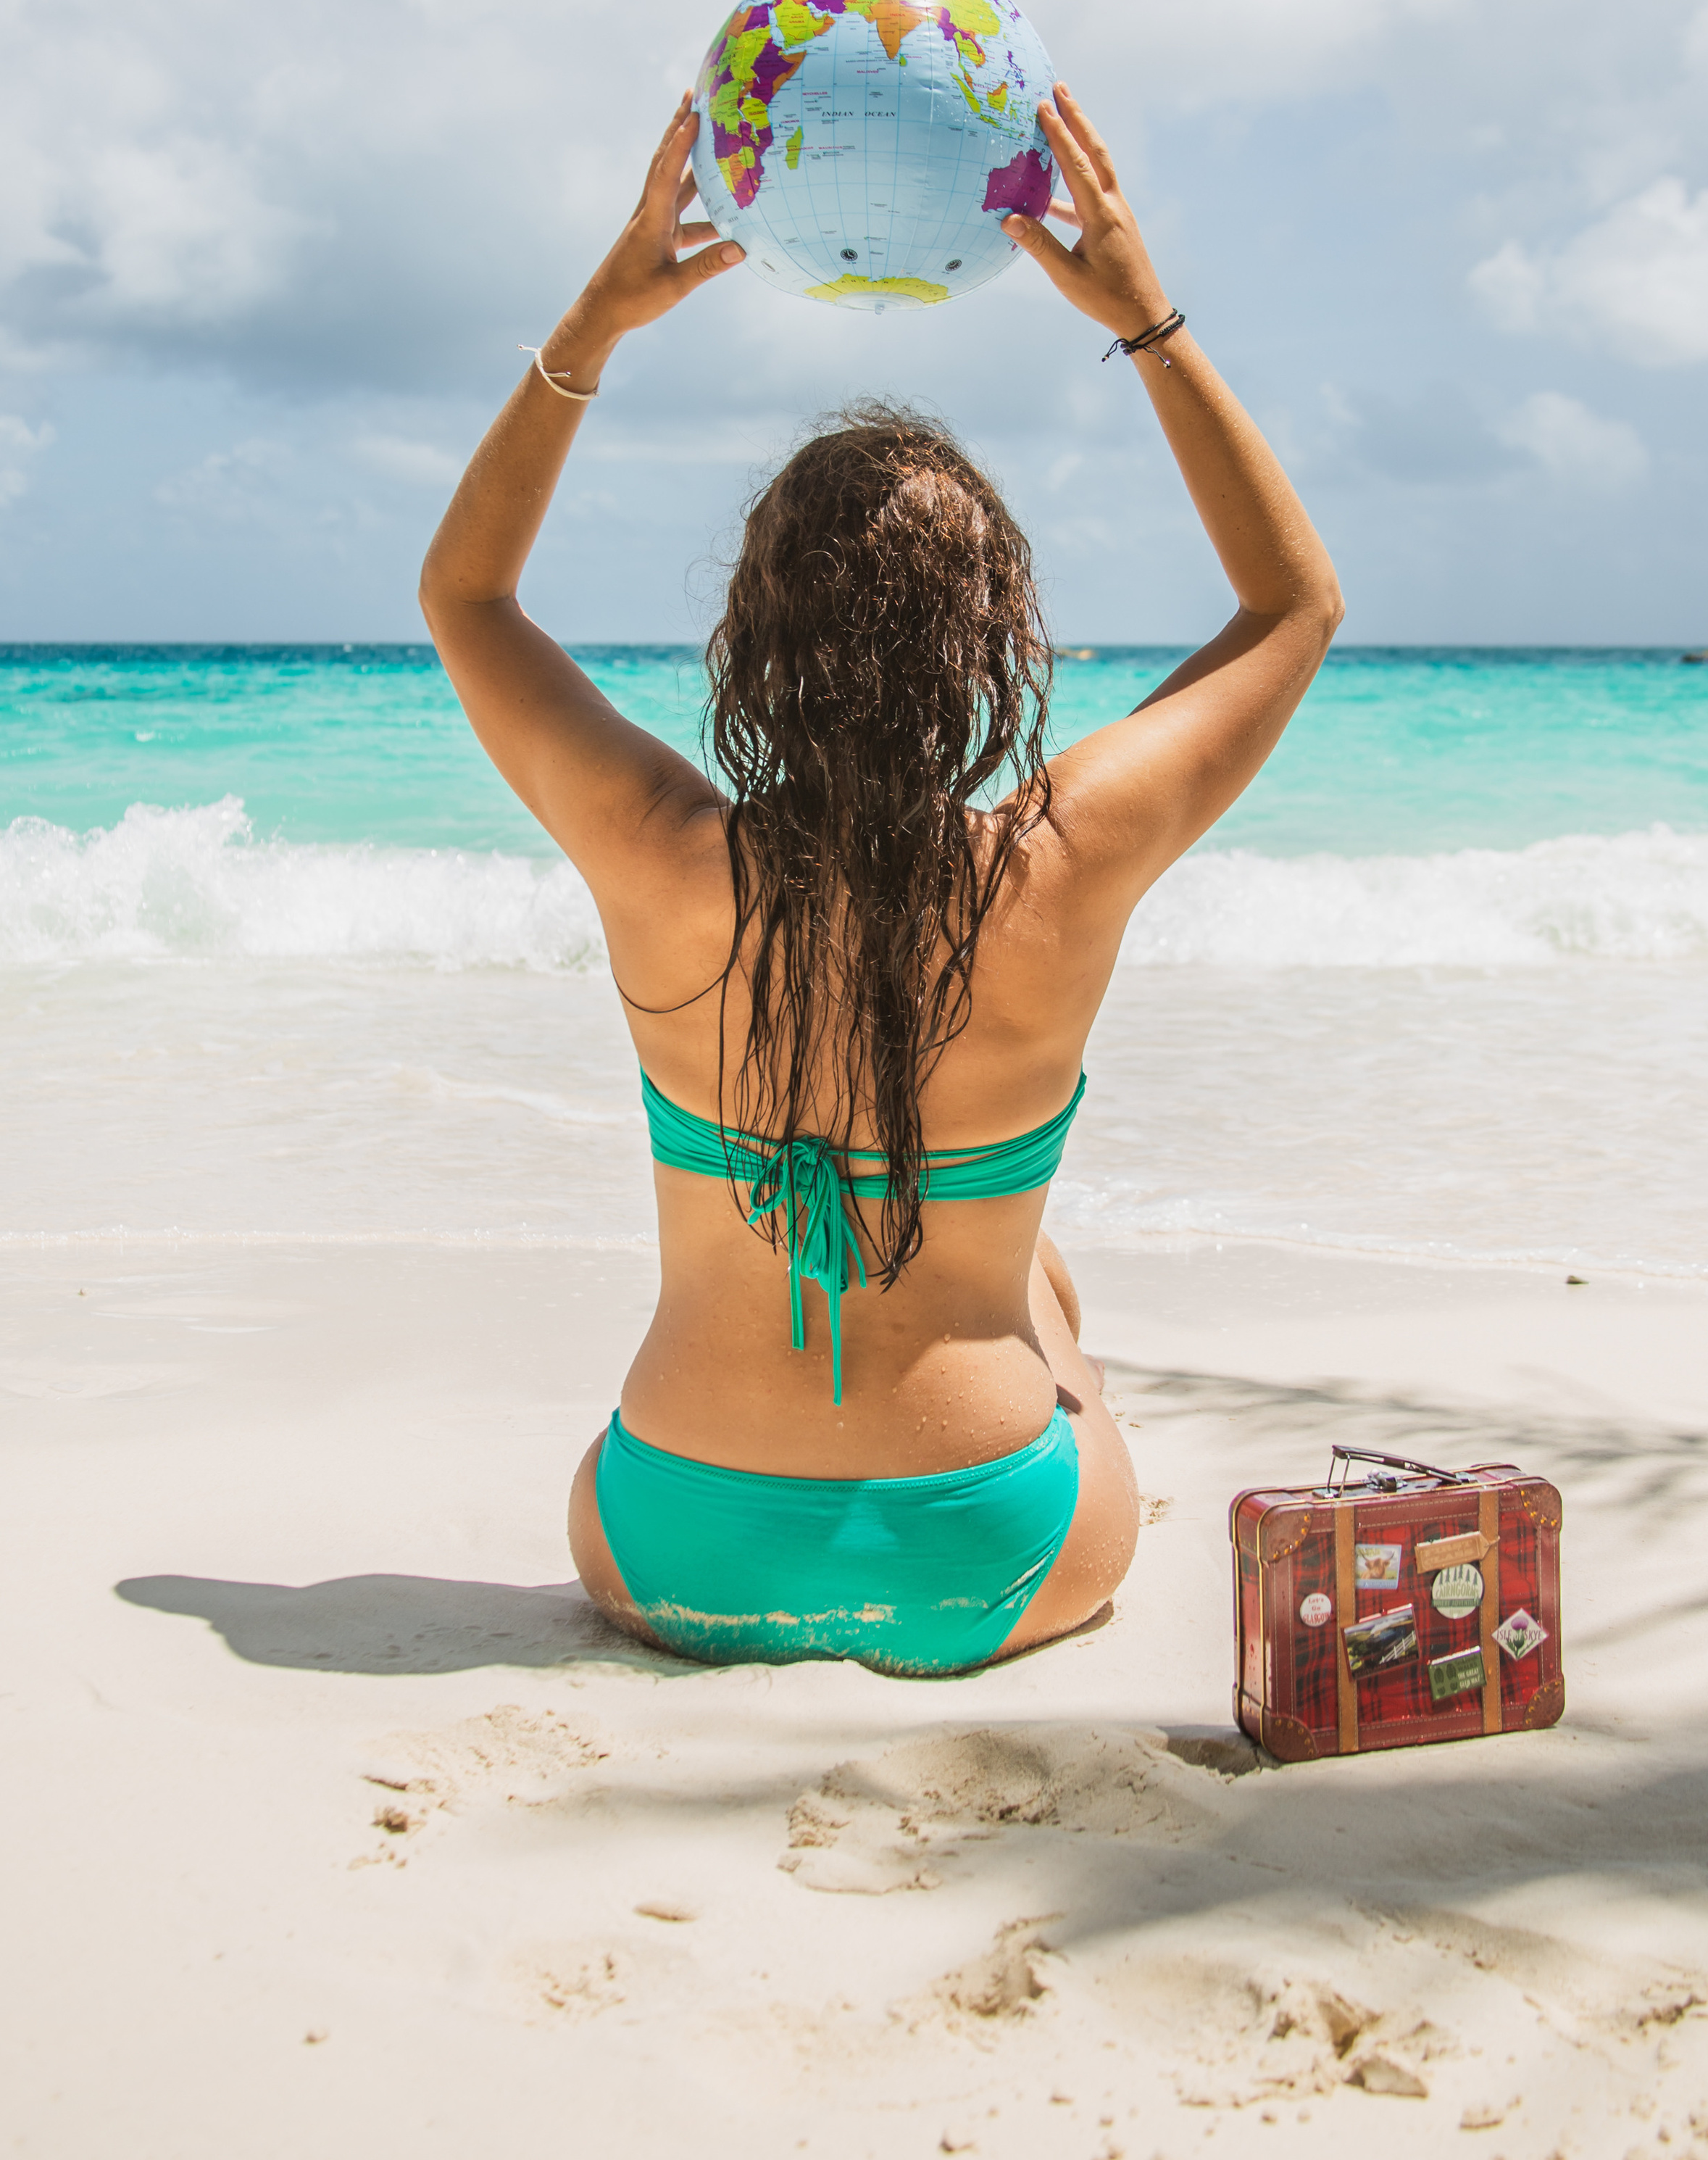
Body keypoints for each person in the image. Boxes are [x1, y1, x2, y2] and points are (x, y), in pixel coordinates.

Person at [420, 82, 1343, 1674]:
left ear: (748, 644)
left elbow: (469, 596)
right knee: (1043, 1292)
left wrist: (598, 323)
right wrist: (1143, 315)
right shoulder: (1057, 864)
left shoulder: (655, 851)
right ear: (995, 653)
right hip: (989, 1553)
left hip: (666, 1549)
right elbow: (1291, 607)